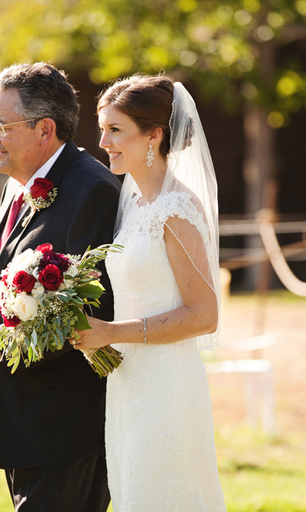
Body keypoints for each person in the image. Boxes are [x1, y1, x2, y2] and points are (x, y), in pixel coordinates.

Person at [0, 62, 121, 512]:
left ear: (45, 130)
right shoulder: (16, 187)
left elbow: (93, 310)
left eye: (1, 125)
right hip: (19, 414)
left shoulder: (92, 190)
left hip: (65, 424)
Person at [74, 75, 227, 511]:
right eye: (103, 128)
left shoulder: (176, 210)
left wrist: (111, 331)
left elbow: (204, 315)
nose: (102, 141)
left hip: (167, 385)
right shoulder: (134, 202)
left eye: (115, 129)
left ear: (154, 135)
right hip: (128, 381)